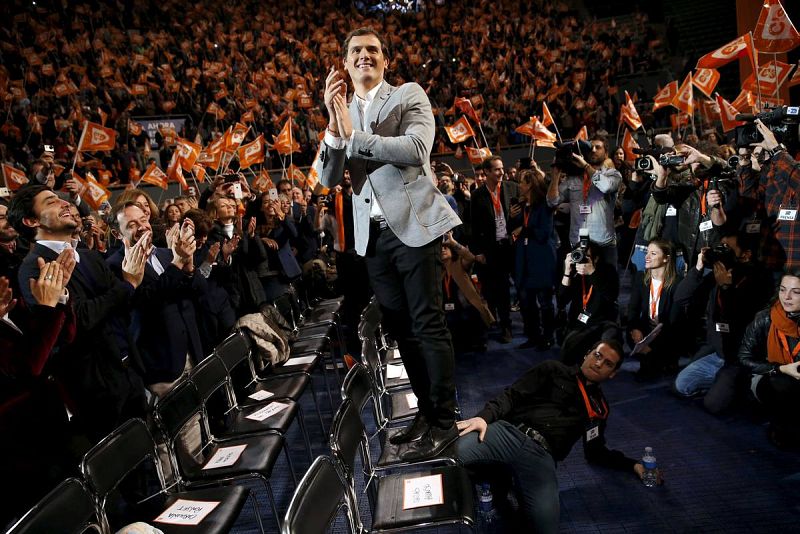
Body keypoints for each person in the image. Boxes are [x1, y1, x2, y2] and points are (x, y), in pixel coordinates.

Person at [319, 27, 461, 461]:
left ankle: (445, 420)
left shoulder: (407, 95)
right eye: (356, 51)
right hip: (374, 240)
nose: (365, 56)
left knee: (428, 325)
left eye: (372, 50)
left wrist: (354, 135)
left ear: (384, 60)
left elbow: (417, 148)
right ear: (344, 64)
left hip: (414, 229)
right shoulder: (341, 111)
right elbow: (327, 178)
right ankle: (426, 411)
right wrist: (332, 126)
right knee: (401, 330)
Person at [456, 340, 661, 533]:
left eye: (607, 363)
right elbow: (512, 395)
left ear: (613, 374)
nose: (598, 364)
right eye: (597, 355)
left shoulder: (598, 408)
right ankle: (497, 476)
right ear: (586, 355)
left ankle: (505, 479)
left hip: (541, 457)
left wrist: (633, 465)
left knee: (546, 527)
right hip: (509, 433)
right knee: (452, 455)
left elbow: (596, 452)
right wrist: (483, 418)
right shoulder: (553, 369)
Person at [9, 185, 149, 442]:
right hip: (96, 392)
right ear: (31, 221)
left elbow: (122, 306)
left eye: (62, 198)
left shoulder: (89, 256)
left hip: (130, 374)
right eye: (51, 202)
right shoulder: (33, 269)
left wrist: (126, 289)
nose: (64, 203)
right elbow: (78, 321)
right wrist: (127, 285)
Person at [738, 268, 800, 448]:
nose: (786, 297)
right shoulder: (765, 318)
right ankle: (780, 427)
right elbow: (743, 358)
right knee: (784, 385)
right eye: (782, 289)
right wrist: (778, 368)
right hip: (769, 375)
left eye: (795, 292)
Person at [546, 136, 622, 268]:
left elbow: (606, 186)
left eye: (598, 147)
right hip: (578, 243)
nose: (593, 150)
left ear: (606, 153)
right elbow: (552, 201)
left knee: (606, 287)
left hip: (604, 244)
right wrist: (556, 175)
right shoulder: (573, 179)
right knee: (580, 288)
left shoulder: (613, 174)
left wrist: (586, 166)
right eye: (591, 147)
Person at [470, 155, 520, 343]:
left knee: (506, 290)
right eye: (497, 170)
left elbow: (522, 216)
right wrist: (477, 252)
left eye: (502, 168)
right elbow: (472, 226)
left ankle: (506, 325)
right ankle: (492, 322)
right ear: (488, 172)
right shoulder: (477, 195)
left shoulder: (512, 188)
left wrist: (515, 221)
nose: (501, 172)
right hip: (489, 249)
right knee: (492, 290)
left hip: (509, 247)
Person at [510, 167, 557, 350]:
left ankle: (548, 336)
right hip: (524, 259)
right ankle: (533, 335)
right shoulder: (521, 207)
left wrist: (524, 229)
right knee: (526, 301)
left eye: (522, 182)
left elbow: (544, 233)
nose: (519, 185)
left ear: (530, 185)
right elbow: (512, 230)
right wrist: (512, 218)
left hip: (542, 258)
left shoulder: (544, 206)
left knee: (545, 302)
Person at [627, 238, 684, 379]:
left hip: (667, 330)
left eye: (653, 253)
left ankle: (659, 358)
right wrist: (635, 329)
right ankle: (653, 358)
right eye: (647, 252)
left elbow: (674, 320)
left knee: (672, 338)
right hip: (646, 328)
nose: (646, 257)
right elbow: (632, 309)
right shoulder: (641, 277)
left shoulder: (677, 283)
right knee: (630, 334)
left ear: (666, 258)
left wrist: (652, 344)